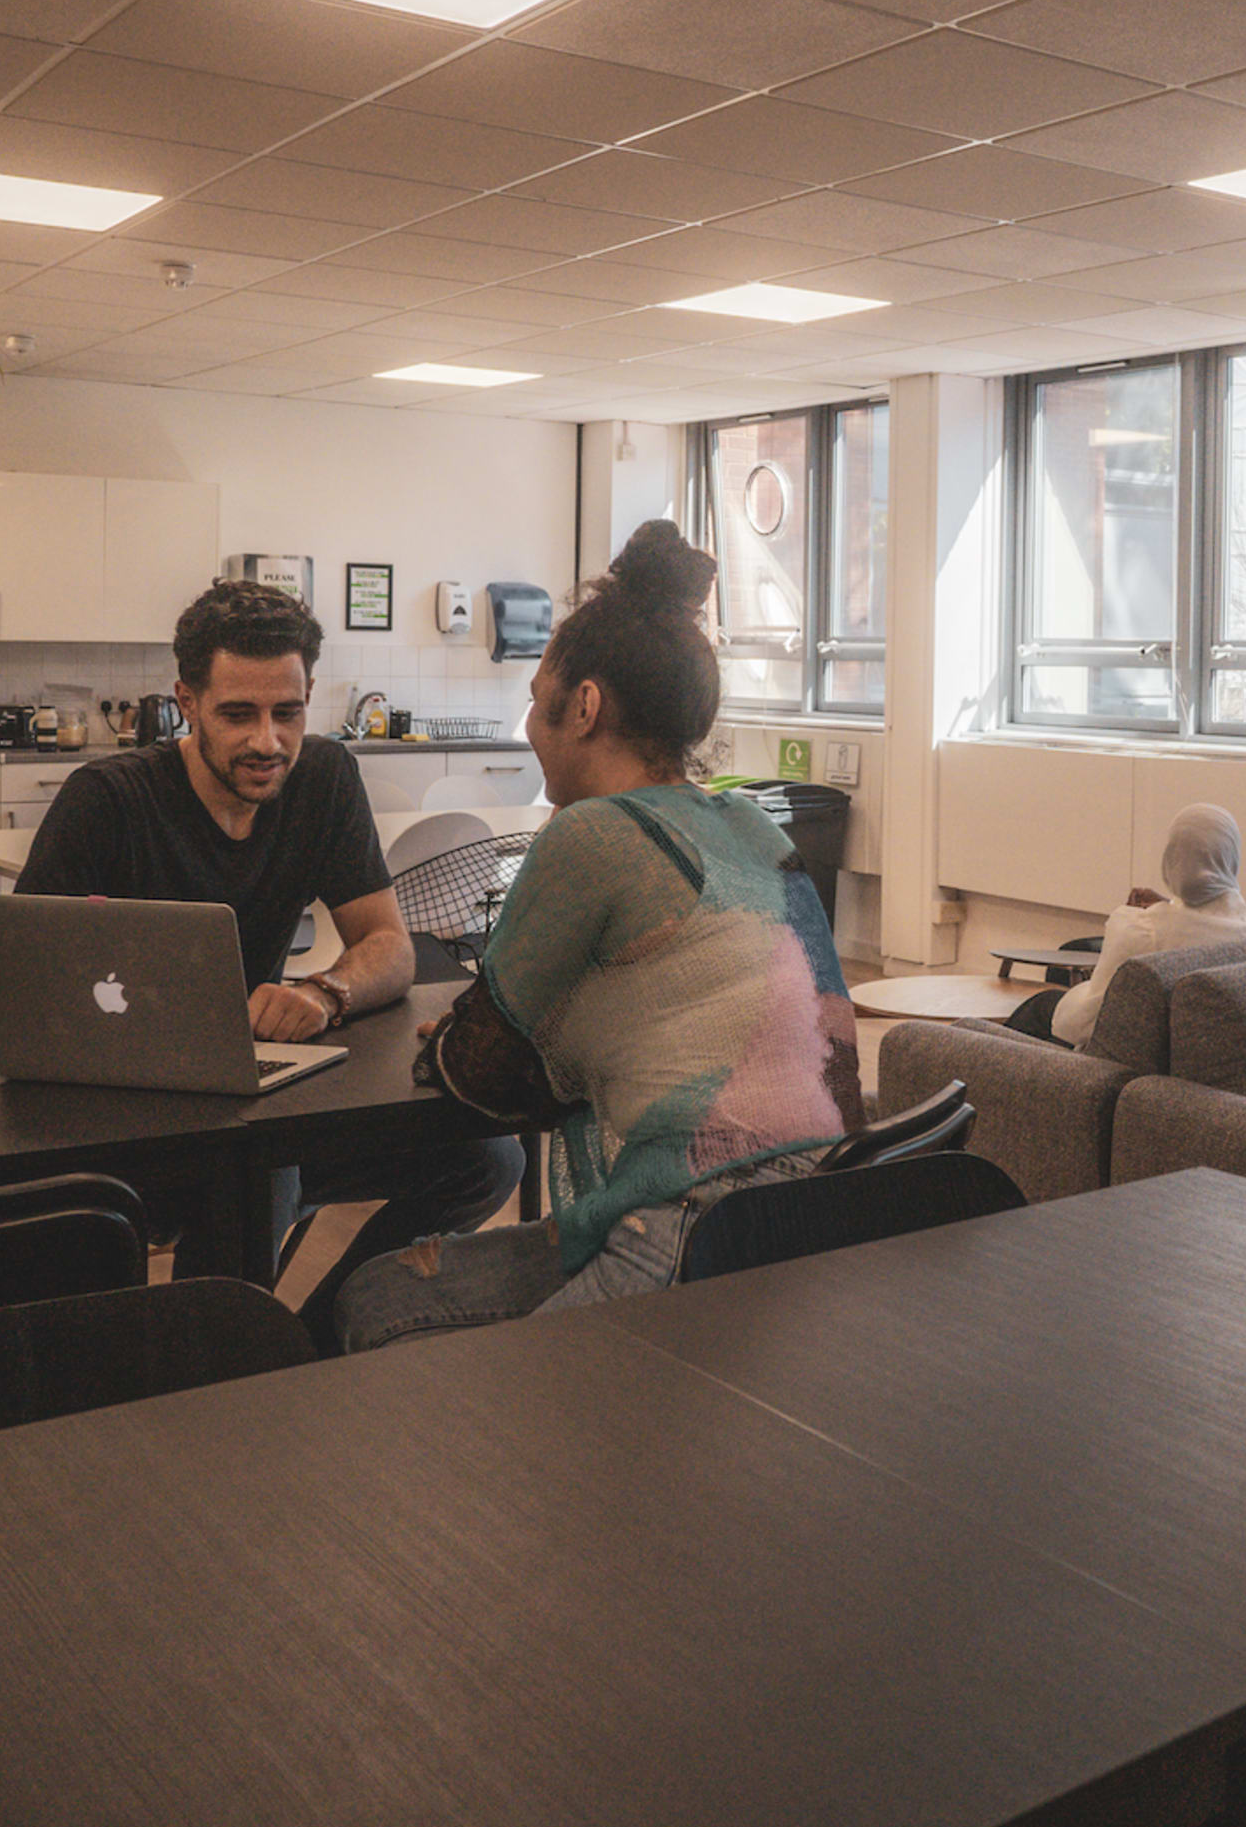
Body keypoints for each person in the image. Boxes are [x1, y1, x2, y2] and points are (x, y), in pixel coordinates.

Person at [334, 522, 858, 1352]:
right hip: (825, 1216)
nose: (530, 725)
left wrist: (479, 1041)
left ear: (582, 706)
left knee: (375, 1303)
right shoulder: (752, 824)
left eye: (537, 696)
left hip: (692, 1229)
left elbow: (475, 1071)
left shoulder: (591, 834)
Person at [0, 579, 521, 1329]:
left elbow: (389, 946)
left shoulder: (323, 779)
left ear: (309, 697)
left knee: (489, 1160)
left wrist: (324, 993)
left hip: (255, 1094)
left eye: (286, 712)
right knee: (261, 1178)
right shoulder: (108, 801)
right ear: (186, 702)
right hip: (121, 1114)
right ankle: (213, 1372)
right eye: (238, 714)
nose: (268, 741)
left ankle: (317, 1334)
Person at [1027, 803, 1246, 1047]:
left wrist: (1154, 915)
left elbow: (1079, 1024)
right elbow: (1209, 923)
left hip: (1129, 1064)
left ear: (1170, 858)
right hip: (1199, 1055)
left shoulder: (1144, 931)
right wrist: (1169, 905)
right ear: (1232, 857)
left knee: (1043, 1005)